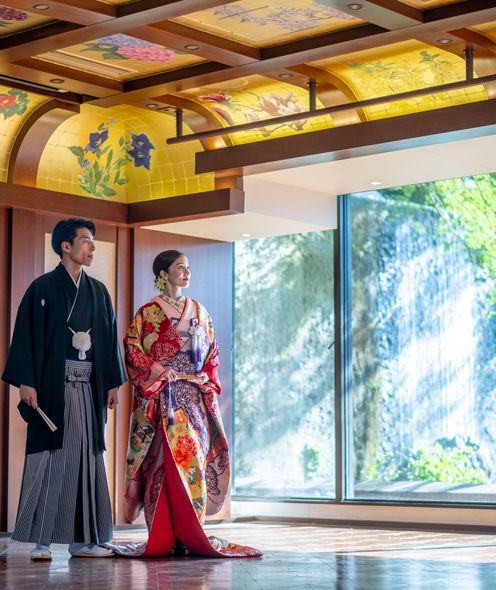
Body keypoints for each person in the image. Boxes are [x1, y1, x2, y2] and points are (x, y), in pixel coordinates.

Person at [115, 250, 261, 558]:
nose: (186, 272)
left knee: (193, 460)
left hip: (193, 398)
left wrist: (205, 375)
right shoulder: (147, 313)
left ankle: (190, 533)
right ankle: (162, 534)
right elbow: (133, 350)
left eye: (188, 267)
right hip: (163, 397)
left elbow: (212, 352)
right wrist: (158, 370)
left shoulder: (200, 311)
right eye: (180, 267)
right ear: (163, 274)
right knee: (162, 463)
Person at [2, 218, 126, 560]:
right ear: (65, 246)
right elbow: (24, 336)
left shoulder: (98, 291)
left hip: (88, 389)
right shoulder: (41, 289)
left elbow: (108, 339)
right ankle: (41, 542)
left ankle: (83, 541)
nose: (92, 246)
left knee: (87, 458)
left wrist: (112, 382)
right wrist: (26, 381)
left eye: (93, 240)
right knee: (49, 458)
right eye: (85, 240)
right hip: (52, 389)